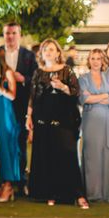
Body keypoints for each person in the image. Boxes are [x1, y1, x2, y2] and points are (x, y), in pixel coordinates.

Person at [26, 39, 88, 208]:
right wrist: (28, 117)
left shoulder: (66, 70)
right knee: (46, 154)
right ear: (42, 53)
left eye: (52, 49)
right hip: (42, 116)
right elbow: (32, 96)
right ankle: (49, 193)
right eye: (46, 49)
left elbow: (76, 92)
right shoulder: (38, 72)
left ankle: (75, 193)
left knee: (67, 152)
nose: (48, 52)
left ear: (58, 53)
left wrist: (62, 87)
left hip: (64, 117)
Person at [1, 22, 37, 189]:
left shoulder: (29, 56)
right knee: (3, 141)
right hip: (1, 105)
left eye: (14, 33)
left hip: (21, 104)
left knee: (20, 142)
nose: (10, 36)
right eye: (7, 33)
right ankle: (4, 178)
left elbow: (36, 81)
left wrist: (23, 79)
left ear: (19, 35)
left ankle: (21, 179)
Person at [79, 49, 109, 202]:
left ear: (103, 61)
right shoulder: (83, 78)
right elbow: (84, 99)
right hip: (91, 120)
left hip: (108, 119)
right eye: (92, 58)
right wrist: (105, 95)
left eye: (98, 58)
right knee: (91, 156)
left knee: (108, 154)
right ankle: (93, 193)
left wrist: (96, 97)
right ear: (89, 60)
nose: (95, 61)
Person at [0, 47, 20, 202]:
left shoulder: (8, 73)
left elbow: (12, 96)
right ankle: (0, 183)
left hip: (6, 113)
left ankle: (8, 185)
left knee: (6, 148)